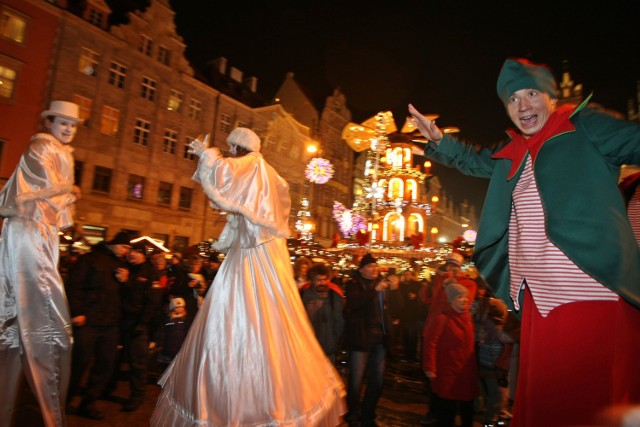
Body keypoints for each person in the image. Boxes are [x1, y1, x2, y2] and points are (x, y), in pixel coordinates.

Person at [409, 57, 640, 426]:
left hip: (588, 290)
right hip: (536, 298)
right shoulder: (515, 151)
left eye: (532, 93)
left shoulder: (584, 127)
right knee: (544, 404)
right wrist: (439, 140)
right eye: (513, 99)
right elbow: (475, 160)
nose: (523, 105)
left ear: (550, 97)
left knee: (589, 405)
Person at [151, 128, 345, 426]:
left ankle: (233, 402)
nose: (230, 152)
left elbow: (224, 172)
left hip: (249, 259)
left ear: (241, 147)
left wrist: (208, 154)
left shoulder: (252, 165)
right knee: (272, 322)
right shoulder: (271, 178)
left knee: (233, 317)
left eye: (232, 147)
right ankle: (270, 400)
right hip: (269, 259)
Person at [0, 100, 82, 427]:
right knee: (51, 330)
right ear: (49, 123)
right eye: (62, 122)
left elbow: (57, 210)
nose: (68, 128)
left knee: (17, 327)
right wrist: (69, 190)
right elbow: (43, 189)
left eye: (73, 124)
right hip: (29, 229)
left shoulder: (63, 152)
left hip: (41, 232)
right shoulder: (41, 147)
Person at [65, 230, 131, 420]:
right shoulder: (90, 259)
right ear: (114, 244)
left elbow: (126, 296)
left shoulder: (122, 266)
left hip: (110, 325)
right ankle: (65, 399)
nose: (127, 251)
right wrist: (77, 312)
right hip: (88, 322)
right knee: (78, 364)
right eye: (125, 246)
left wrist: (126, 282)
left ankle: (89, 402)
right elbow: (74, 285)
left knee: (104, 365)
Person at [343, 253, 392, 427]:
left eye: (376, 266)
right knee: (356, 381)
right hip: (361, 339)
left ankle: (368, 414)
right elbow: (356, 304)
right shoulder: (353, 285)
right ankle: (353, 414)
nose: (374, 269)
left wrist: (395, 290)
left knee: (377, 382)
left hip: (379, 340)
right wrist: (375, 290)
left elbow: (391, 309)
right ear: (361, 269)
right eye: (370, 267)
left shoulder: (381, 286)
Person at [423, 282, 478, 427]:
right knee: (447, 407)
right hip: (448, 369)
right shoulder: (442, 318)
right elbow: (431, 343)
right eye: (460, 297)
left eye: (465, 297)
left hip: (465, 370)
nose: (464, 300)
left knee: (467, 404)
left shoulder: (468, 317)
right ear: (451, 300)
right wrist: (430, 367)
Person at [113, 242, 160, 412]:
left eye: (136, 252)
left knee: (137, 363)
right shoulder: (125, 268)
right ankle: (108, 388)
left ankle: (137, 396)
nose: (132, 254)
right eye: (131, 251)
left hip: (138, 324)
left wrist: (142, 325)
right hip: (120, 321)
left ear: (143, 255)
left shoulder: (150, 272)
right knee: (114, 358)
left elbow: (152, 303)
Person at [300, 263, 345, 363]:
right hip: (307, 345)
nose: (322, 283)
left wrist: (334, 341)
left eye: (324, 280)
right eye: (318, 280)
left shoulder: (334, 295)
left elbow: (339, 320)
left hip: (328, 346)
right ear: (311, 280)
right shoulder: (303, 295)